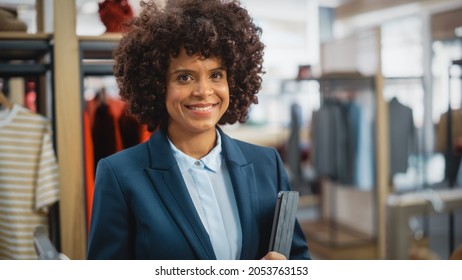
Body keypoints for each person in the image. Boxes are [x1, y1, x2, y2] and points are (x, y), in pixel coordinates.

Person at [87, 0, 310, 260]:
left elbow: (298, 257)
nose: (204, 92)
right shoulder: (120, 176)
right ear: (158, 85)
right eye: (185, 77)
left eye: (216, 75)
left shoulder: (266, 164)